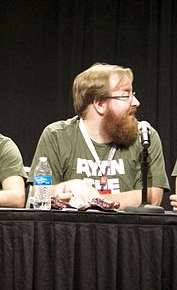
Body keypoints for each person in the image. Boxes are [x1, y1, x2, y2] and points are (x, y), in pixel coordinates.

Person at [29, 63, 169, 209]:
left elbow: (152, 197)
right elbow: (38, 193)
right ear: (100, 104)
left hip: (126, 230)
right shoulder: (57, 135)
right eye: (126, 95)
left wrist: (94, 199)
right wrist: (70, 186)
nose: (136, 102)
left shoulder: (144, 136)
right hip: (71, 230)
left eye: (132, 94)